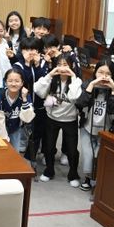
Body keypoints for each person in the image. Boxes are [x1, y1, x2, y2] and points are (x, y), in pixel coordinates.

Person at [76, 57, 114, 192]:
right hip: (87, 126)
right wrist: (91, 87)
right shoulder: (87, 84)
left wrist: (113, 91)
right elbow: (80, 104)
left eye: (108, 74)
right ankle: (87, 178)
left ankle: (97, 180)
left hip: (106, 128)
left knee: (99, 155)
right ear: (95, 72)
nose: (104, 76)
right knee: (88, 155)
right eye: (101, 72)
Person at [34, 54, 82, 186]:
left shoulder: (76, 81)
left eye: (65, 65)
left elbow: (74, 97)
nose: (62, 68)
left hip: (70, 120)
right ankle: (49, 171)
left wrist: (73, 76)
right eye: (59, 64)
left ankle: (73, 174)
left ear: (71, 66)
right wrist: (50, 74)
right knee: (49, 147)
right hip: (52, 118)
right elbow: (38, 90)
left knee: (72, 150)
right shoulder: (52, 80)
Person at [0, 68, 33, 150]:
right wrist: (5, 141)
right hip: (0, 126)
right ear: (5, 83)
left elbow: (27, 119)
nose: (13, 84)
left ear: (22, 83)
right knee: (2, 149)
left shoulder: (26, 96)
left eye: (17, 81)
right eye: (10, 81)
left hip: (16, 127)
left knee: (15, 151)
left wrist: (24, 99)